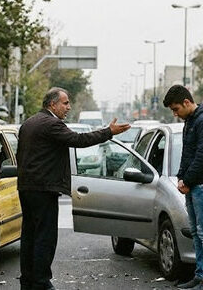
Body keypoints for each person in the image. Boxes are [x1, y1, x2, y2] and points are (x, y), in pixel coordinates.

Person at [16, 87, 130, 289]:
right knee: (45, 237)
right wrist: (108, 132)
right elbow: (79, 140)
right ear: (53, 104)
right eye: (65, 103)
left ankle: (28, 281)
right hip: (44, 189)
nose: (68, 107)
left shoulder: (29, 122)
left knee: (30, 236)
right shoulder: (51, 124)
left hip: (26, 187)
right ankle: (41, 282)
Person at [163, 85, 203, 290]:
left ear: (187, 102)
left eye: (176, 109)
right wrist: (181, 177)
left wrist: (187, 180)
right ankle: (200, 275)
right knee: (197, 233)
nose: (175, 114)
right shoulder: (191, 120)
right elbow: (188, 154)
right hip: (195, 183)